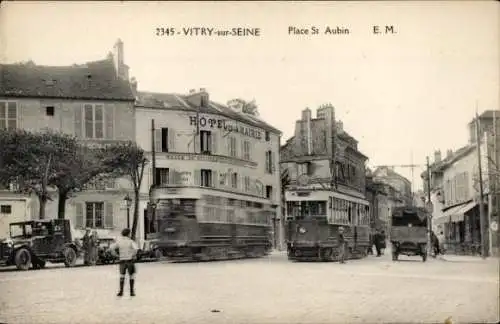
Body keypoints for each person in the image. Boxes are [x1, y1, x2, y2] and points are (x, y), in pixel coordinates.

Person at [110, 228, 139, 297]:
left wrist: (116, 255)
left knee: (122, 276)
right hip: (130, 260)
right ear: (128, 234)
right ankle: (131, 292)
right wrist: (133, 255)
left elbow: (111, 248)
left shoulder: (119, 241)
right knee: (131, 276)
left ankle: (121, 291)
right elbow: (136, 249)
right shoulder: (130, 241)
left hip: (122, 260)